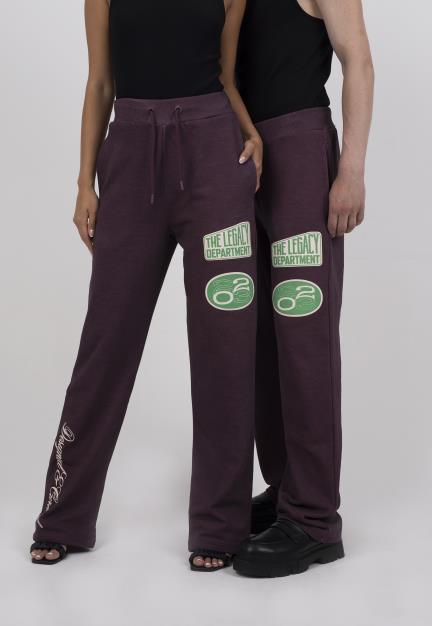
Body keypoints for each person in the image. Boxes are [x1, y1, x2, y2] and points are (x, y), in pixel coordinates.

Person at [30, 0, 262, 571]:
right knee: (106, 341)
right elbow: (100, 82)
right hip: (131, 157)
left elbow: (226, 77)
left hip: (215, 156)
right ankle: (63, 516)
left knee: (225, 347)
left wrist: (251, 134)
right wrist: (84, 183)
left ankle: (220, 526)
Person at [235, 0, 374, 577]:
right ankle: (286, 488)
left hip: (298, 147)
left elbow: (357, 58)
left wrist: (351, 170)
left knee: (303, 337)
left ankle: (315, 519)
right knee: (258, 337)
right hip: (240, 155)